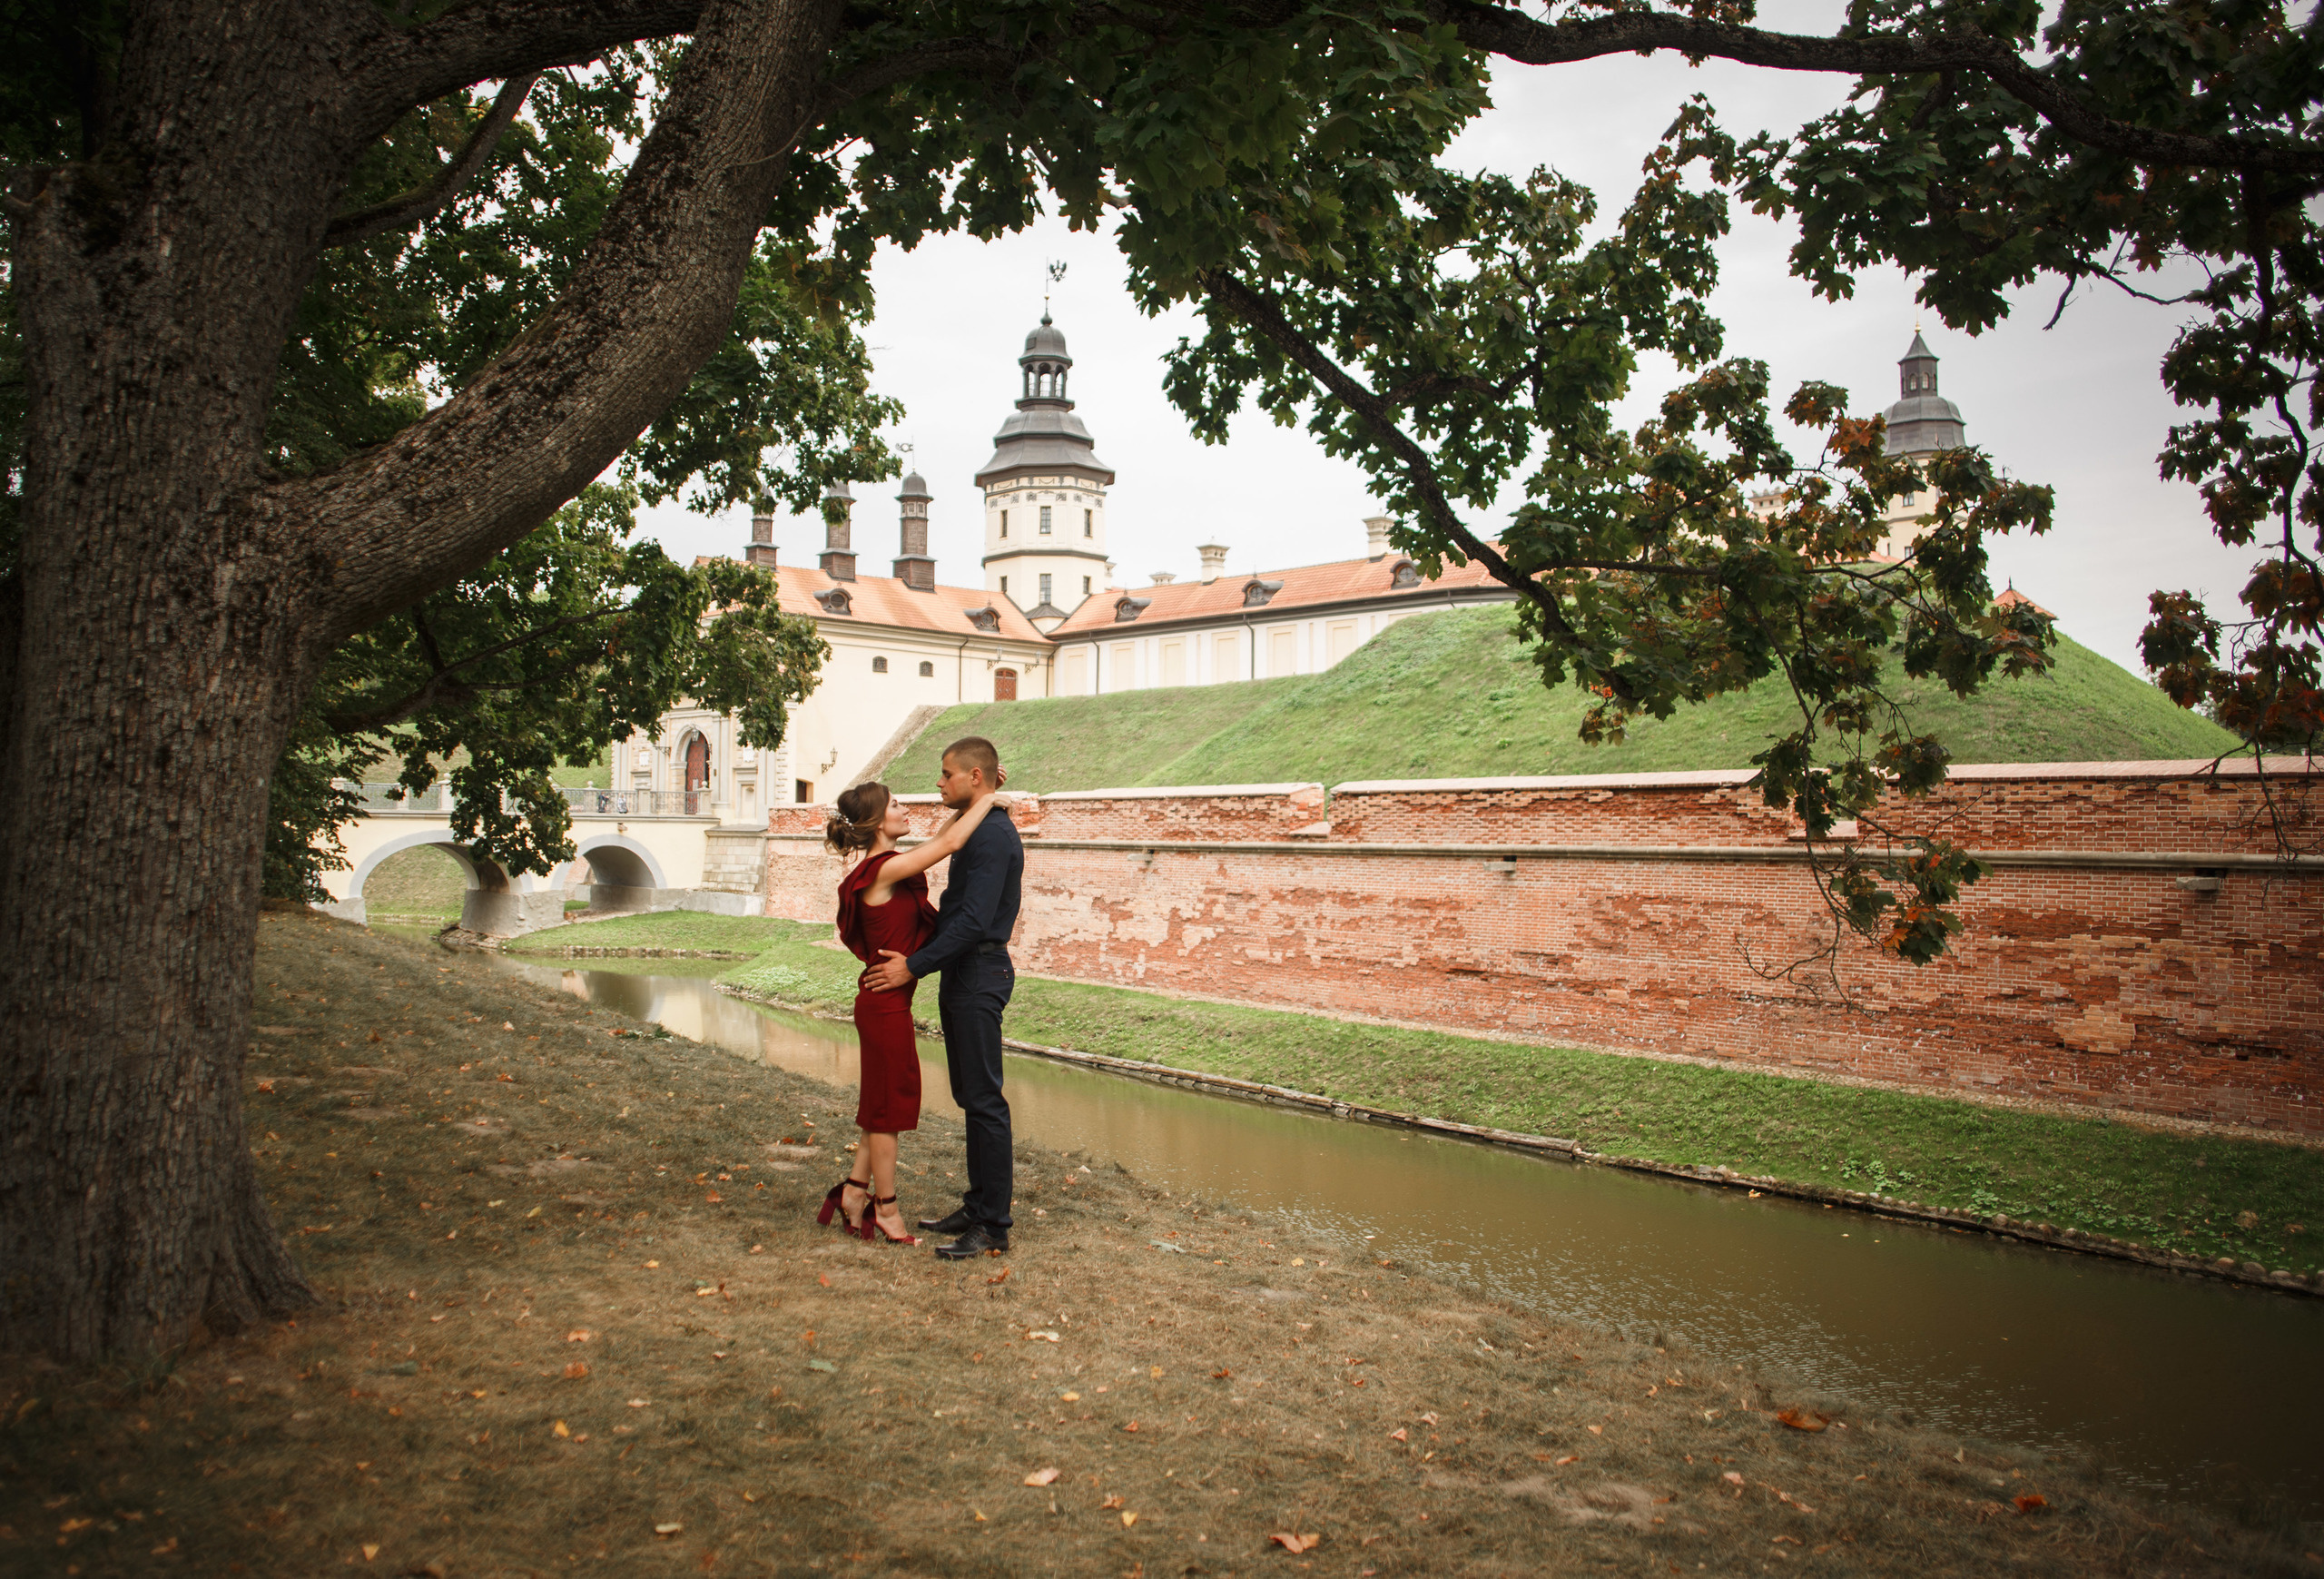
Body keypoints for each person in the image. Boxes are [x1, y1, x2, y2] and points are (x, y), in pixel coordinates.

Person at [860, 737, 1020, 1259]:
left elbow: (973, 920)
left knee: (985, 1101)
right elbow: (945, 847)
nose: (938, 782)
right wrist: (991, 795)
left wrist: (912, 966)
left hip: (979, 972)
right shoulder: (977, 824)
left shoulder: (993, 835)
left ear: (973, 777)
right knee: (971, 1098)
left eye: (947, 774)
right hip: (963, 973)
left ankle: (993, 1224)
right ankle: (978, 1206)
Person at [821, 779, 998, 1246]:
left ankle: (854, 1194)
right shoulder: (883, 871)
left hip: (887, 1002)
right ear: (879, 821)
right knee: (888, 1111)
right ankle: (887, 1210)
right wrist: (991, 800)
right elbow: (951, 841)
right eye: (896, 804)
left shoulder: (886, 867)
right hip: (883, 1006)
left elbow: (944, 833)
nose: (905, 809)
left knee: (882, 1106)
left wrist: (976, 798)